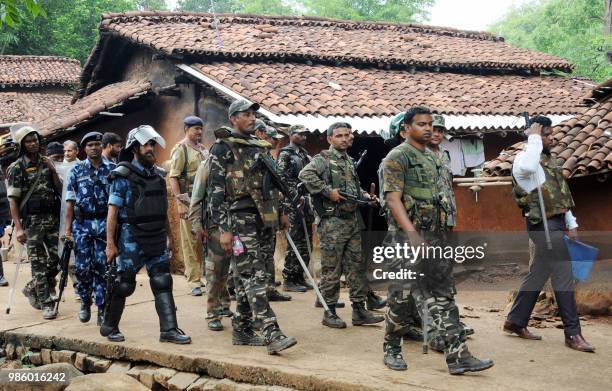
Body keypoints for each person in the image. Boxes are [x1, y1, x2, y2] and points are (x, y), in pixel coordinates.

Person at [380, 106, 493, 375]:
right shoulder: (397, 157)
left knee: (444, 297)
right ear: (406, 128)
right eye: (421, 124)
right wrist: (412, 234)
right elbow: (392, 199)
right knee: (402, 298)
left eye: (430, 124)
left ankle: (458, 356)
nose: (428, 128)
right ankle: (392, 349)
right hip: (407, 242)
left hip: (435, 241)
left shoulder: (434, 157)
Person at [208, 99, 296, 354]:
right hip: (239, 220)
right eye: (246, 115)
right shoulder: (222, 147)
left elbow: (272, 183)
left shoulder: (260, 146)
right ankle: (271, 332)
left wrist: (282, 212)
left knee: (248, 274)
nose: (252, 119)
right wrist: (224, 229)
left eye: (253, 115)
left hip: (264, 218)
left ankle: (242, 328)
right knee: (253, 275)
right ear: (233, 118)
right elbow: (216, 194)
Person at [504, 115, 594, 352]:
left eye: (551, 133)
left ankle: (515, 320)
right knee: (563, 275)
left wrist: (571, 223)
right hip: (541, 226)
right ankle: (573, 334)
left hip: (556, 223)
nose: (551, 138)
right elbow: (528, 166)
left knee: (539, 273)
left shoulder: (550, 162)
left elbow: (561, 195)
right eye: (546, 134)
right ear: (534, 135)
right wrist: (533, 136)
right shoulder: (525, 159)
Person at [100, 125, 191, 345]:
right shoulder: (122, 175)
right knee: (124, 284)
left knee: (162, 281)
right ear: (134, 148)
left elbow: (162, 210)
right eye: (146, 145)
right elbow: (112, 213)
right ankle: (109, 326)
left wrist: (169, 237)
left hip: (157, 237)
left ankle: (169, 330)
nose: (151, 148)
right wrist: (110, 244)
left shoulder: (159, 176)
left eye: (152, 144)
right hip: (132, 237)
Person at [299, 122, 383, 329]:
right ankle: (329, 311)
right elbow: (305, 175)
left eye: (347, 135)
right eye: (339, 136)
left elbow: (353, 189)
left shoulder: (349, 161)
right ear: (330, 139)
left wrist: (367, 197)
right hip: (333, 223)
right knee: (332, 269)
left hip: (352, 220)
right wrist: (328, 192)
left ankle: (359, 310)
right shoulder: (323, 160)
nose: (344, 139)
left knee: (355, 267)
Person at [426, 114, 474, 351]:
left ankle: (448, 323)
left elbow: (448, 189)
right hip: (427, 227)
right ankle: (434, 330)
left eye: (441, 130)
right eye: (433, 129)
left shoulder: (444, 156)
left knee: (445, 276)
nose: (437, 134)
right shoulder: (417, 156)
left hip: (445, 224)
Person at [7, 125, 63, 319]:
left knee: (58, 259)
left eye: (35, 140)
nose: (33, 144)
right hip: (32, 222)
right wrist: (19, 228)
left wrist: (53, 170)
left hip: (52, 218)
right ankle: (46, 302)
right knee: (38, 263)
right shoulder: (16, 167)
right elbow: (13, 201)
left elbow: (60, 189)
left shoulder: (46, 162)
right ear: (22, 145)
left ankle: (33, 288)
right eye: (29, 141)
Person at [65, 132, 116, 325]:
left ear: (101, 146)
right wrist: (68, 231)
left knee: (103, 268)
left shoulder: (112, 168)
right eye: (90, 145)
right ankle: (85, 302)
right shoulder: (76, 170)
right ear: (84, 149)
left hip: (104, 223)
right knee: (83, 268)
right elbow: (70, 203)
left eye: (97, 144)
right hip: (82, 225)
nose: (94, 148)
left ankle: (102, 308)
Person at [189, 127, 233, 331]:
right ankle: (212, 313)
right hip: (214, 226)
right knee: (215, 271)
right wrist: (197, 224)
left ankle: (225, 306)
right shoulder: (207, 165)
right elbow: (197, 195)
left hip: (237, 226)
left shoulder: (238, 164)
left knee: (230, 272)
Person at [252, 119, 291, 302]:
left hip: (270, 211)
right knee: (251, 254)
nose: (275, 141)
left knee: (268, 250)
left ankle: (268, 288)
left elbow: (277, 190)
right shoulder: (252, 155)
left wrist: (282, 212)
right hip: (254, 213)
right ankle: (237, 289)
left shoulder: (269, 156)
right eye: (271, 137)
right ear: (260, 134)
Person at [169, 116, 207, 296]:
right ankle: (194, 280)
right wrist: (180, 203)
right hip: (189, 201)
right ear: (186, 129)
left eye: (200, 128)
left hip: (205, 201)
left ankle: (200, 275)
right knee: (190, 241)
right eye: (195, 129)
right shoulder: (181, 149)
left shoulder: (203, 149)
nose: (199, 132)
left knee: (202, 239)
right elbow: (174, 177)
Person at [277, 124, 315, 293]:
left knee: (306, 241)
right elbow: (281, 178)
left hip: (305, 202)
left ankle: (300, 276)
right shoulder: (285, 154)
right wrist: (293, 195)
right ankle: (289, 278)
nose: (304, 137)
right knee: (295, 240)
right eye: (300, 134)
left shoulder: (305, 155)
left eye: (305, 134)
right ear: (291, 135)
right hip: (291, 202)